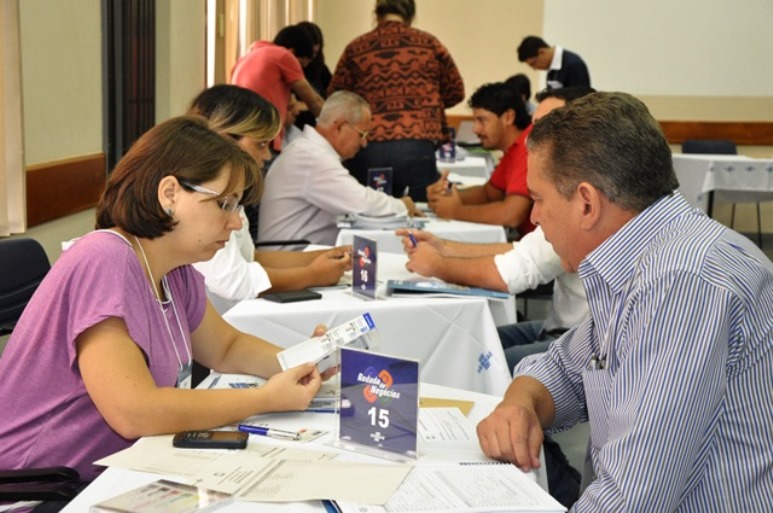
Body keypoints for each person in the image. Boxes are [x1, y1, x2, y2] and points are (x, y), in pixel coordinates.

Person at [0, 117, 337, 492]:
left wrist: (303, 361)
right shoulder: (103, 259)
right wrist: (263, 399)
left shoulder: (175, 269)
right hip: (39, 486)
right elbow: (134, 411)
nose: (236, 223)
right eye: (224, 204)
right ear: (170, 193)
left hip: (114, 469)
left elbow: (225, 347)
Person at [477, 92, 773, 511]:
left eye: (539, 199)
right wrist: (520, 401)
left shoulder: (682, 283)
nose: (536, 217)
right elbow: (564, 366)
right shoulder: (647, 256)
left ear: (586, 203)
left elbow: (631, 499)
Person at [403, 87, 595, 372]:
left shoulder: (575, 192)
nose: (533, 135)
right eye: (536, 125)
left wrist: (439, 265)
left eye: (547, 126)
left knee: (474, 365)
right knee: (468, 342)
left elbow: (513, 261)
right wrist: (445, 247)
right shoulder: (562, 174)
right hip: (562, 326)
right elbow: (523, 248)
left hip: (582, 343)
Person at [187, 85, 351, 314]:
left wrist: (322, 257)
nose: (266, 155)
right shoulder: (199, 196)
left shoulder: (227, 192)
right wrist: (312, 274)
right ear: (224, 139)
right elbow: (232, 281)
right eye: (261, 144)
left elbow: (249, 257)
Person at [328, 0, 465, 202]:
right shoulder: (430, 44)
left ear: (376, 14)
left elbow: (337, 97)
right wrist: (427, 106)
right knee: (422, 215)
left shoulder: (357, 47)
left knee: (369, 213)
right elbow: (456, 90)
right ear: (411, 16)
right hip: (418, 146)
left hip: (367, 145)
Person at [259, 91, 421, 248]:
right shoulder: (313, 157)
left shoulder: (309, 149)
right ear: (339, 126)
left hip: (299, 252)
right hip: (290, 258)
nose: (364, 143)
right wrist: (402, 205)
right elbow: (362, 202)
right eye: (362, 134)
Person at [426, 82, 534, 236]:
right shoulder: (513, 148)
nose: (475, 129)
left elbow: (511, 215)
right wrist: (445, 195)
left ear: (508, 117)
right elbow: (489, 194)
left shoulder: (528, 146)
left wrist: (456, 211)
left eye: (482, 120)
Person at [231, 25, 325, 151]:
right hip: (264, 136)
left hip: (239, 132)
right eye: (301, 64)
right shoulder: (284, 56)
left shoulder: (249, 55)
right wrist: (333, 122)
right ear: (293, 52)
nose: (300, 69)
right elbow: (313, 101)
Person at [294, 21, 332, 130]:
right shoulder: (287, 69)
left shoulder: (321, 69)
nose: (309, 59)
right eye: (309, 53)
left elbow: (333, 96)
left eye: (315, 54)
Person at [517, 35, 591, 90]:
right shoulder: (551, 68)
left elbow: (581, 101)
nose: (534, 68)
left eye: (533, 64)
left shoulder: (574, 65)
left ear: (542, 52)